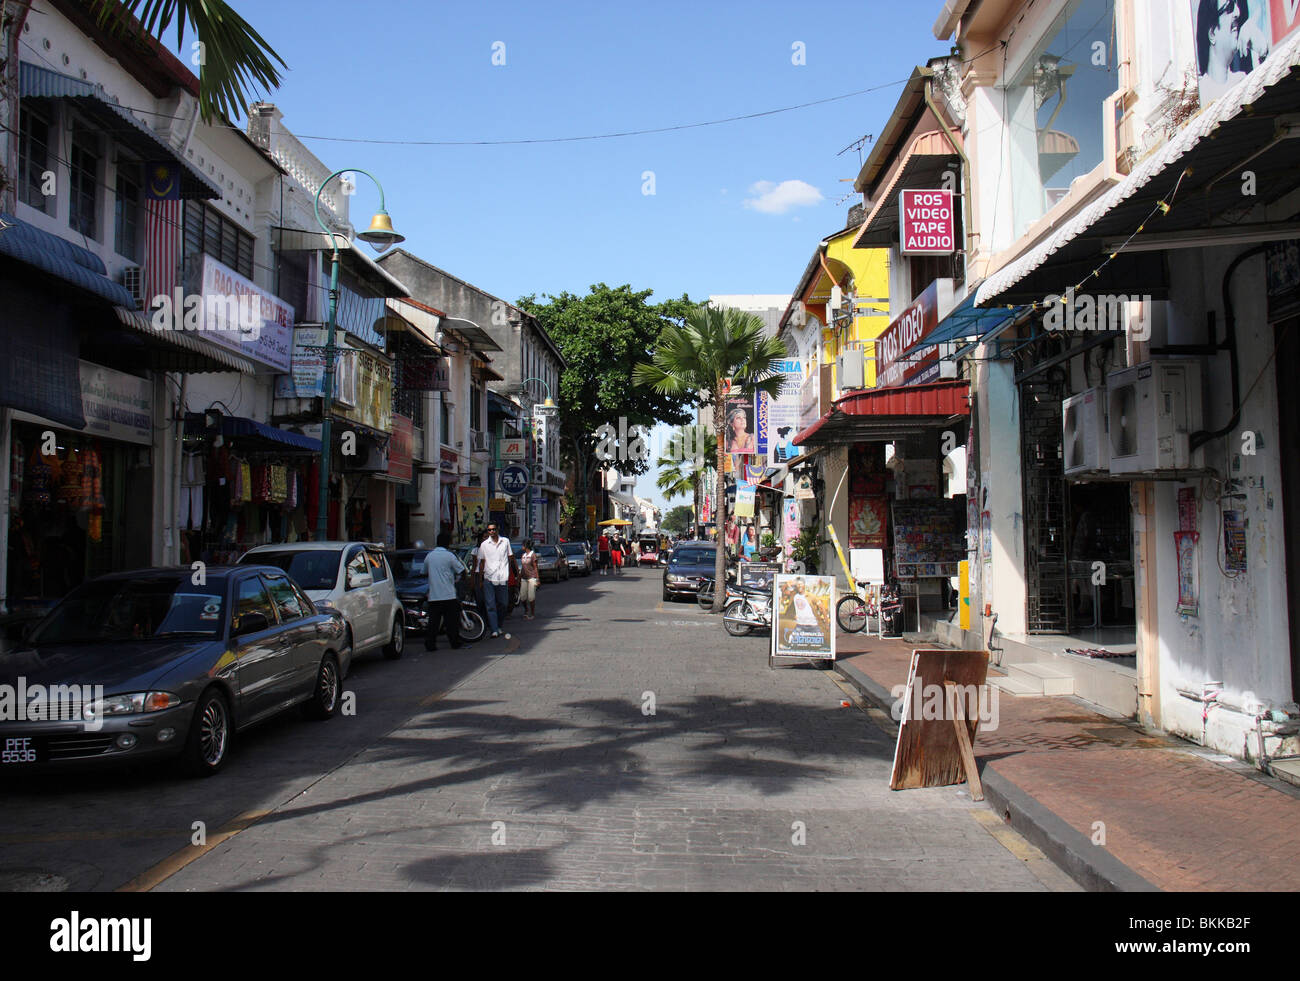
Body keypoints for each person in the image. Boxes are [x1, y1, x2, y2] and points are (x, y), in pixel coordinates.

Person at [425, 532, 469, 651]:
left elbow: (424, 572)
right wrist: (459, 581)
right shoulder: (449, 556)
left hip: (434, 595)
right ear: (447, 543)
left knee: (433, 622)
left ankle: (431, 644)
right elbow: (462, 571)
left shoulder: (429, 556)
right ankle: (454, 643)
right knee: (451, 622)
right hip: (449, 594)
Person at [477, 523, 517, 639]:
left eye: (494, 529)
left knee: (503, 603)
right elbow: (481, 563)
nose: (492, 532)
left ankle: (499, 625)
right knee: (490, 605)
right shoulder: (484, 545)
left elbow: (510, 557)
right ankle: (494, 629)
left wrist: (513, 574)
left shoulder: (505, 542)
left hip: (502, 578)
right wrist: (480, 579)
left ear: (497, 529)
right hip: (488, 578)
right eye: (489, 530)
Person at [519, 540, 541, 620]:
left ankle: (532, 613)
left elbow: (535, 567)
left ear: (526, 546)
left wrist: (537, 579)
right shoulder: (523, 555)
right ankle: (526, 609)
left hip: (532, 577)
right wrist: (519, 577)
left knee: (531, 597)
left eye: (523, 545)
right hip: (524, 578)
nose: (522, 546)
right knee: (522, 597)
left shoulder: (532, 555)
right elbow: (523, 567)